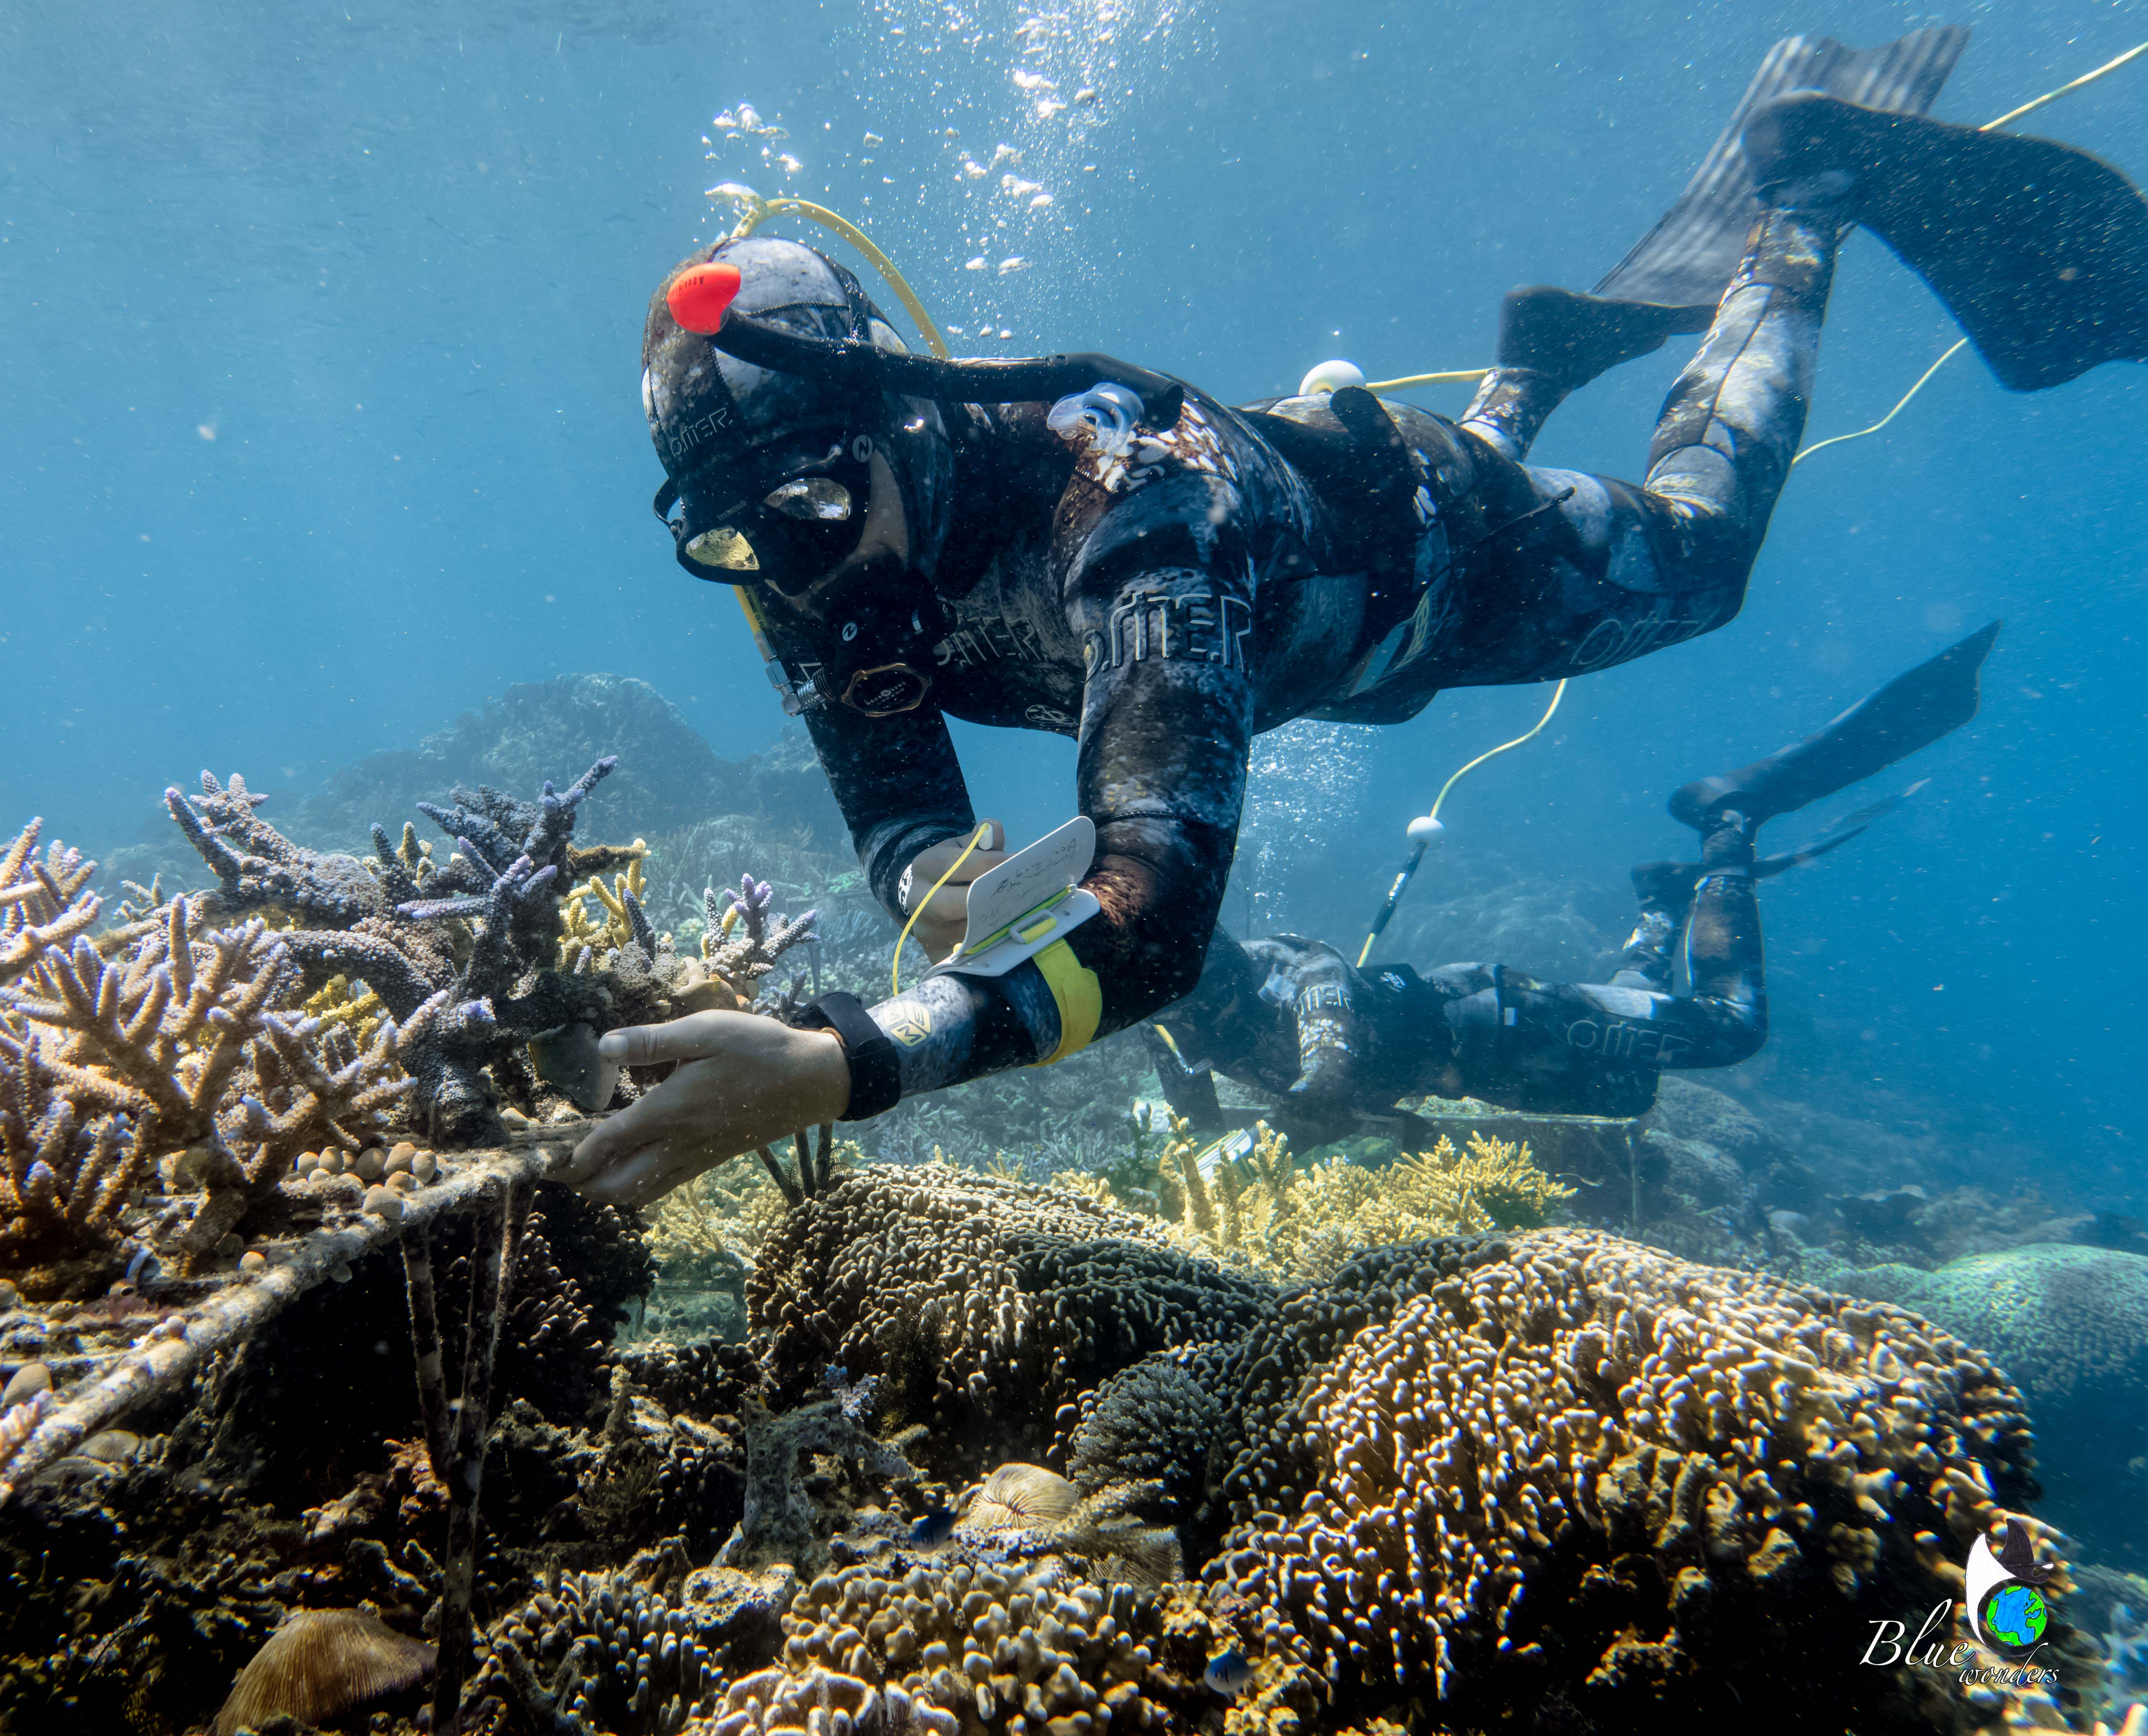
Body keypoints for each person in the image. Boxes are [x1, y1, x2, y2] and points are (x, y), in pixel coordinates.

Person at [557, 28, 2147, 1208]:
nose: (798, 567)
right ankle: (1532, 363)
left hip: (1442, 558)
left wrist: (848, 1057)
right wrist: (943, 882)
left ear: (900, 421)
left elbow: (1159, 921)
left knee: (1698, 562)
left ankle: (1808, 198)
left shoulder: (1124, 499)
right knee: (1331, 665)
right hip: (1320, 623)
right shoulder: (802, 562)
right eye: (737, 537)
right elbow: (896, 796)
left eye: (815, 509)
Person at [1142, 623, 1998, 1136]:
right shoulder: (1163, 1014)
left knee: (1729, 1030)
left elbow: (1324, 992)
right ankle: (1663, 906)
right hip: (1486, 1072)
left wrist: (1323, 1086)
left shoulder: (1274, 964)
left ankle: (1732, 820)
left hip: (1506, 1023)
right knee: (1631, 1091)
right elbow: (1195, 1107)